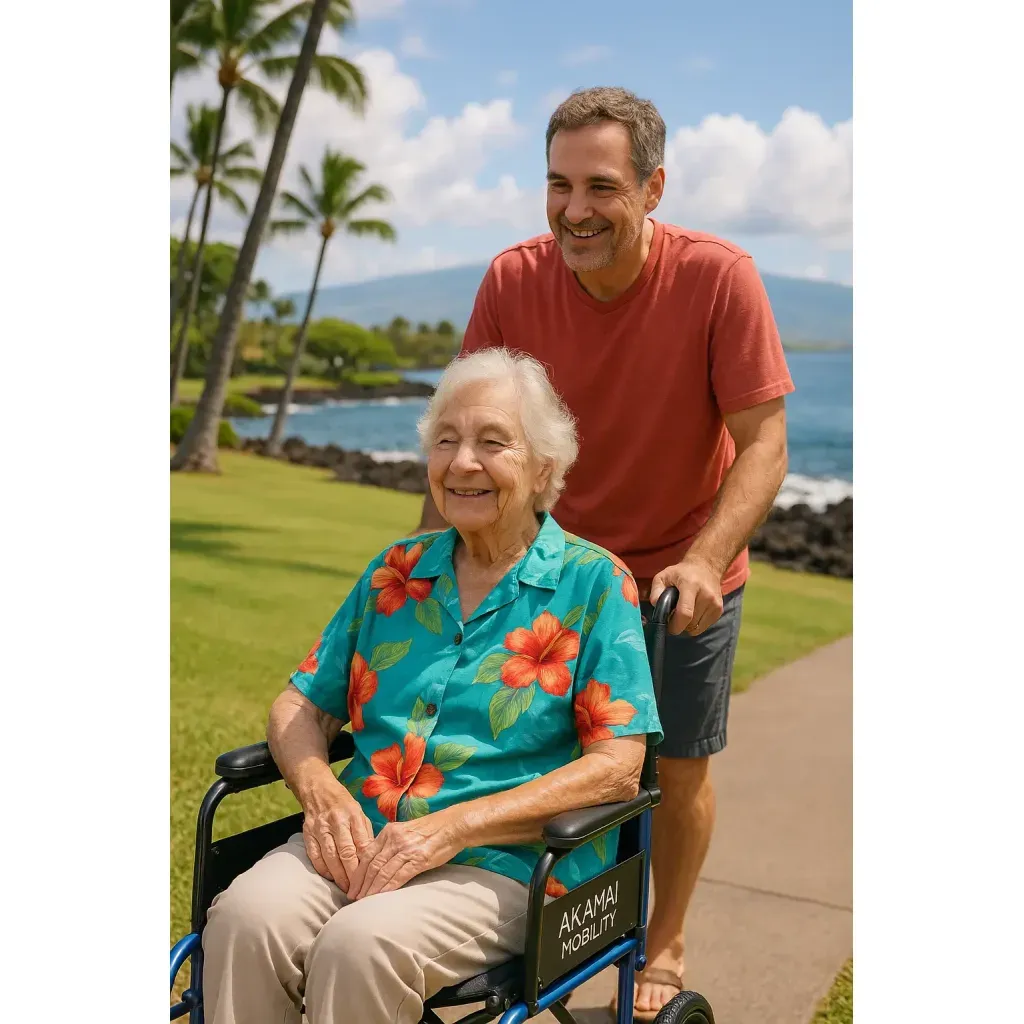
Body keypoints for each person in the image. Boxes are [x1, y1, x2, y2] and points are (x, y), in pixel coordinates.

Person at [415, 86, 794, 1020]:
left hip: (680, 568)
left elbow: (765, 440)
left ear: (652, 187)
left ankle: (662, 940)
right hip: (553, 571)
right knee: (515, 749)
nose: (574, 210)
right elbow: (468, 432)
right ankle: (514, 908)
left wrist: (706, 559)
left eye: (600, 187)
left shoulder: (719, 277)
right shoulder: (512, 279)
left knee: (676, 769)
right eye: (557, 185)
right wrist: (414, 574)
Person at [202, 348, 664, 1024]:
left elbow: (619, 769)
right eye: (445, 439)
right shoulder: (397, 573)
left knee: (361, 947)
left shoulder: (593, 584)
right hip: (360, 837)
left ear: (543, 469)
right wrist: (322, 793)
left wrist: (451, 828)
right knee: (245, 918)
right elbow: (301, 702)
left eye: (491, 442)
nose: (462, 462)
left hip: (509, 863)